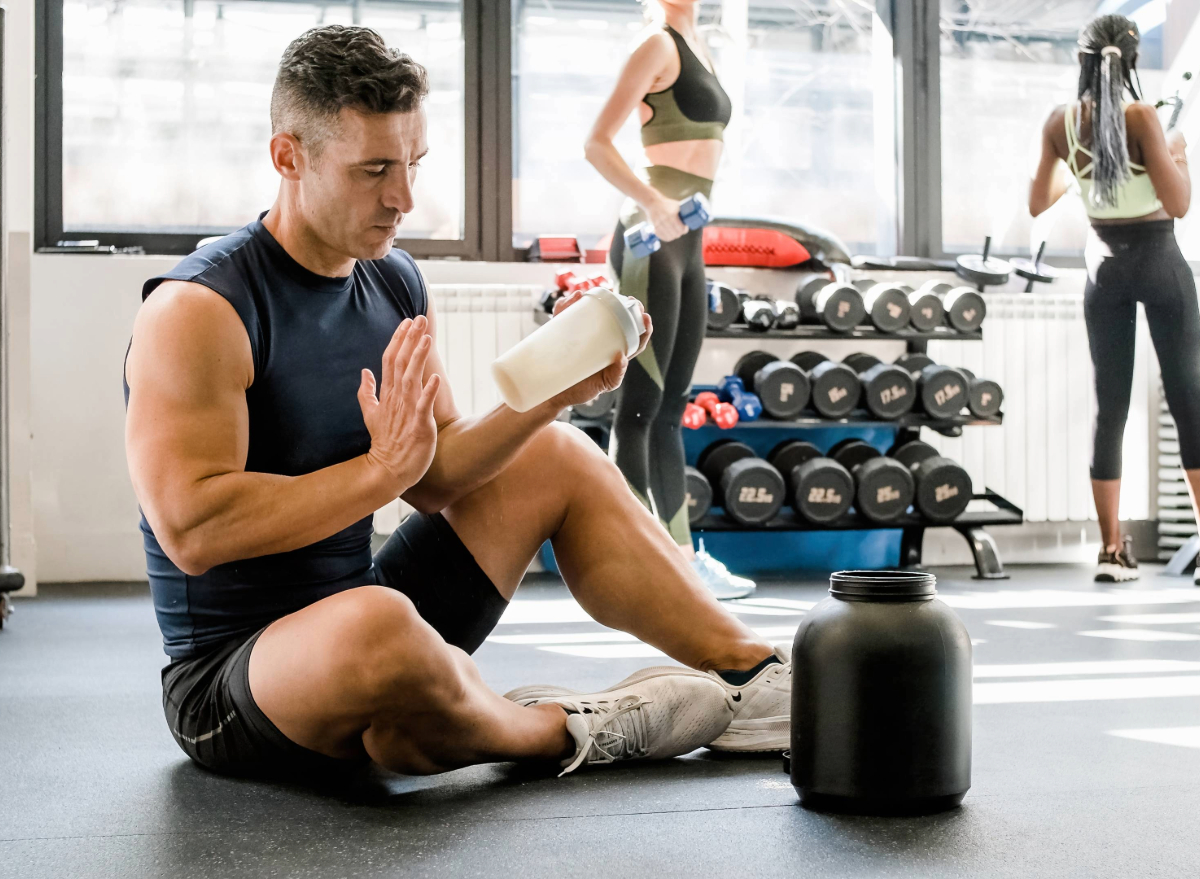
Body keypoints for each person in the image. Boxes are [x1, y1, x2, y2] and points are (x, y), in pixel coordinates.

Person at [123, 25, 792, 783]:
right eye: (374, 169)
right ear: (288, 156)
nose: (403, 197)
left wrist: (555, 399)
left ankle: (754, 675)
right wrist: (378, 476)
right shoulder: (200, 309)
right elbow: (193, 528)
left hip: (375, 616)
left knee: (557, 453)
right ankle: (563, 728)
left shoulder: (392, 280)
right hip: (235, 679)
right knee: (378, 631)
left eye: (413, 164)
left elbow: (437, 475)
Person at [584, 0, 753, 599]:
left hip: (689, 233)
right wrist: (652, 202)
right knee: (639, 403)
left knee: (672, 403)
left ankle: (679, 557)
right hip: (650, 234)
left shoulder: (699, 44)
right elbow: (597, 143)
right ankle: (639, 560)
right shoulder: (656, 45)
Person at [1029, 14, 1194, 584]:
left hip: (1103, 269)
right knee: (1189, 398)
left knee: (1110, 409)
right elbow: (1177, 205)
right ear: (1133, 60)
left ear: (1082, 60)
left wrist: (1086, 166)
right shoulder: (1144, 116)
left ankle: (1111, 550)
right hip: (1158, 261)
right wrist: (1177, 156)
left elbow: (1038, 201)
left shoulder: (1060, 122)